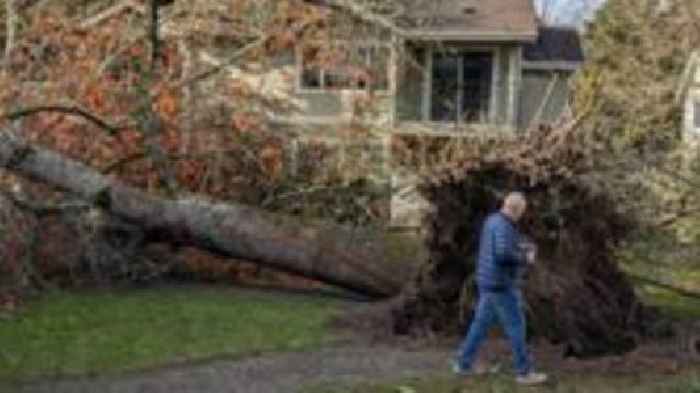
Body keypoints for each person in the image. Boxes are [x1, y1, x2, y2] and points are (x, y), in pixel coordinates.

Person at [452, 192, 548, 385]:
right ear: (516, 209)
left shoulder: (493, 221)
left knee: (480, 325)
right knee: (516, 326)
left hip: (488, 281)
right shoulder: (504, 225)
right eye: (522, 211)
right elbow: (502, 253)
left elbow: (503, 247)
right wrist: (525, 257)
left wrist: (521, 246)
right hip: (501, 284)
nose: (522, 215)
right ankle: (524, 372)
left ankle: (463, 364)